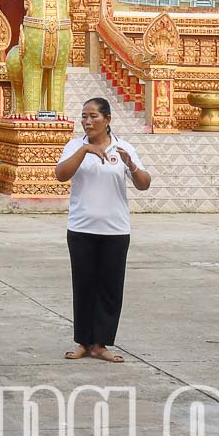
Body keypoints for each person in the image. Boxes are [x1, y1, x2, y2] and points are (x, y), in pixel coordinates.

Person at [54, 97, 152, 364]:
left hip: (115, 229)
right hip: (81, 227)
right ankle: (84, 342)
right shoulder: (75, 146)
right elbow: (61, 174)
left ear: (107, 119)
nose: (88, 121)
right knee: (84, 285)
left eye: (94, 116)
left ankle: (101, 343)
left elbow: (144, 183)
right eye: (84, 116)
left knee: (110, 287)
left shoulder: (123, 147)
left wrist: (131, 164)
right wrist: (83, 152)